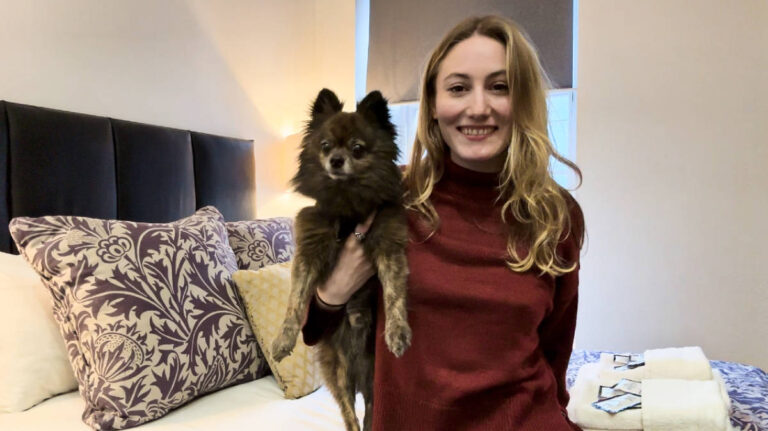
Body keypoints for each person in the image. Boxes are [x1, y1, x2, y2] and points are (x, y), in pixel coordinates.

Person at [302, 15, 585, 431]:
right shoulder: (383, 199)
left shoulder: (555, 215)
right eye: (458, 88)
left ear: (521, 99)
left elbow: (555, 351)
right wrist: (337, 285)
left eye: (499, 86)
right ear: (434, 104)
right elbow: (312, 329)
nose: (478, 107)